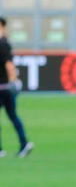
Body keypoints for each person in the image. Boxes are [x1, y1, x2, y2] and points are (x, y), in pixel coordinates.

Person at [0, 17, 34, 158]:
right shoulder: (4, 43)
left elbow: (9, 66)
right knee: (13, 116)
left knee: (13, 116)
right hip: (5, 87)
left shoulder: (2, 44)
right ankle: (24, 143)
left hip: (3, 88)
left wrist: (13, 81)